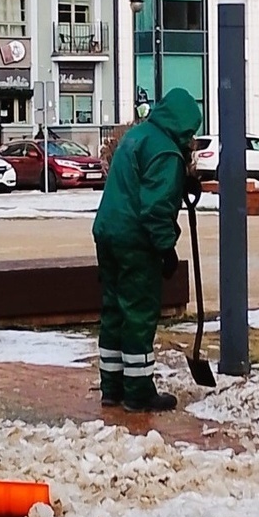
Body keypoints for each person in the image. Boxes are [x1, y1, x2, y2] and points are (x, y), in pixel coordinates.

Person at [92, 87, 203, 412]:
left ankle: (112, 387)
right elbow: (154, 209)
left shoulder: (139, 135)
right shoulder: (167, 151)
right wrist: (166, 248)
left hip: (107, 232)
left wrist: (180, 181)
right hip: (135, 241)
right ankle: (139, 392)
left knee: (113, 311)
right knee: (138, 314)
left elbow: (135, 181)